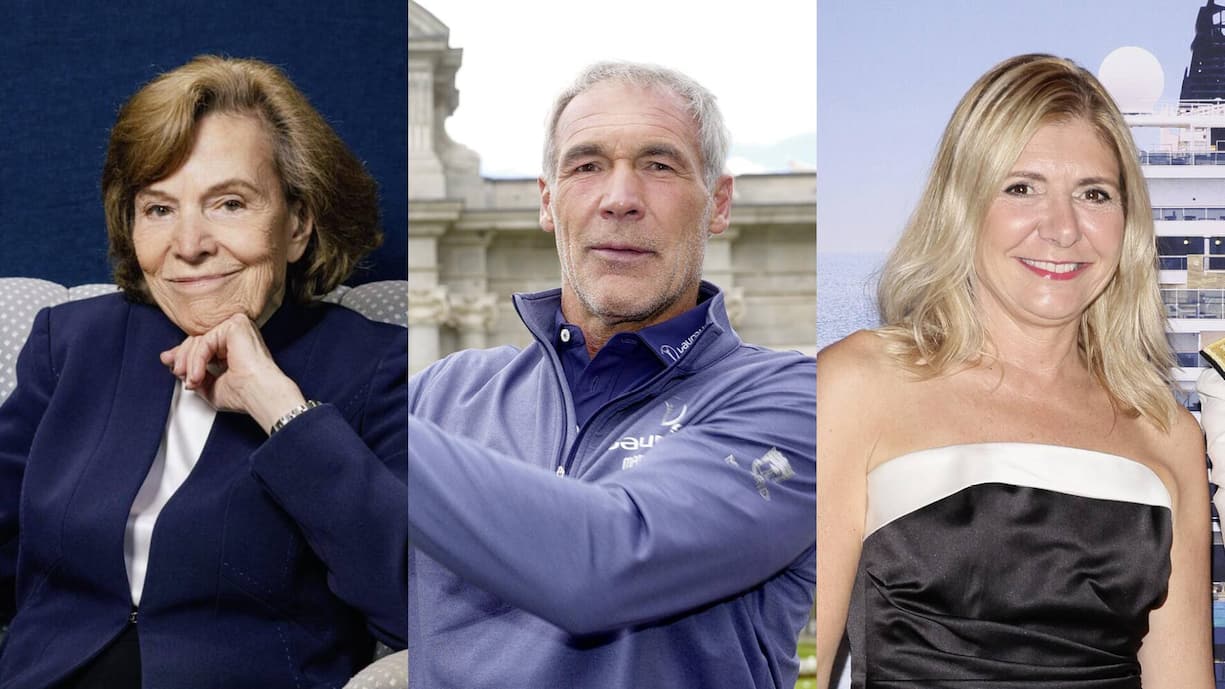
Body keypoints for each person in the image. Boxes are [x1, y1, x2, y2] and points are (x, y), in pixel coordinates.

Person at [0, 56, 406, 688]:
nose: (189, 244)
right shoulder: (71, 343)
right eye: (158, 209)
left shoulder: (380, 366)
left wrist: (282, 409)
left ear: (297, 224)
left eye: (229, 203)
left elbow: (415, 601)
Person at [407, 62, 816, 688]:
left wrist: (331, 421)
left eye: (659, 165)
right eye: (586, 165)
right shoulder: (444, 392)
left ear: (719, 204)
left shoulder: (798, 398)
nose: (620, 198)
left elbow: (608, 562)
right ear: (548, 201)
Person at [816, 53, 1213, 688]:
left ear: (1127, 223)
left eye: (1094, 194)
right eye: (1021, 188)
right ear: (963, 205)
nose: (1062, 229)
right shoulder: (857, 387)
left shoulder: (1167, 435)